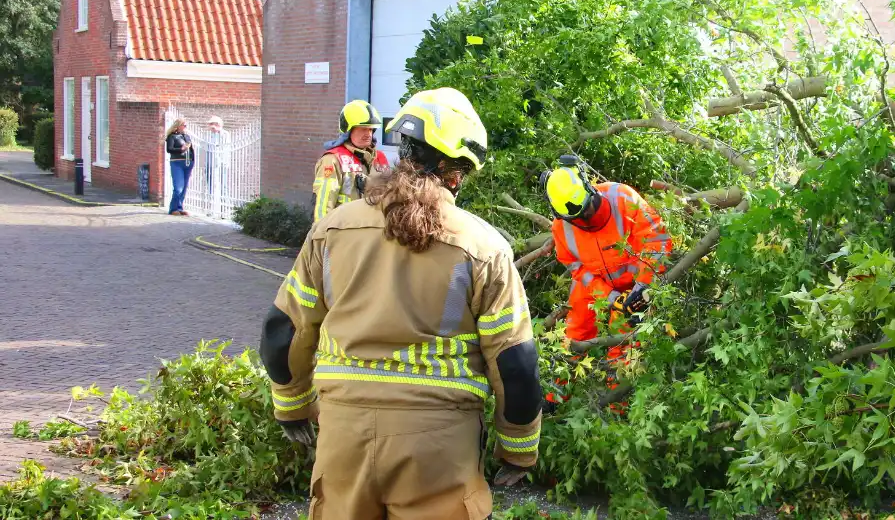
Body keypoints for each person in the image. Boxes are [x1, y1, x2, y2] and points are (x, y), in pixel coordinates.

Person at [261, 87, 542, 520]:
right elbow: (516, 363)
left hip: (344, 438)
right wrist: (518, 447)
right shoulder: (483, 246)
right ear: (455, 171)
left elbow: (282, 331)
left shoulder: (333, 230)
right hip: (438, 447)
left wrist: (292, 406)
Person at [542, 156, 674, 345]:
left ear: (589, 188)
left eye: (588, 209)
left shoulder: (622, 198)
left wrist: (643, 286)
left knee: (623, 330)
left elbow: (657, 239)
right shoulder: (561, 228)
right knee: (575, 329)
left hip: (636, 279)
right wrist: (610, 296)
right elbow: (578, 270)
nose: (587, 217)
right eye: (579, 217)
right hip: (596, 282)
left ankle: (615, 370)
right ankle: (567, 367)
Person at [312, 100, 390, 222]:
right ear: (348, 130)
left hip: (375, 233)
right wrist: (322, 237)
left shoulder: (380, 158)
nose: (368, 134)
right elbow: (323, 206)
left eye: (371, 129)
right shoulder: (333, 160)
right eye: (363, 129)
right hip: (345, 233)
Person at [165, 118, 193, 216]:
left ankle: (180, 208)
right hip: (177, 162)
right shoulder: (172, 136)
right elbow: (169, 149)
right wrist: (181, 149)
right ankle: (173, 209)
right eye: (184, 125)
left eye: (186, 125)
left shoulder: (187, 137)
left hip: (188, 163)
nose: (185, 127)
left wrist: (192, 160)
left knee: (184, 187)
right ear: (178, 125)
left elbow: (191, 150)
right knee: (178, 187)